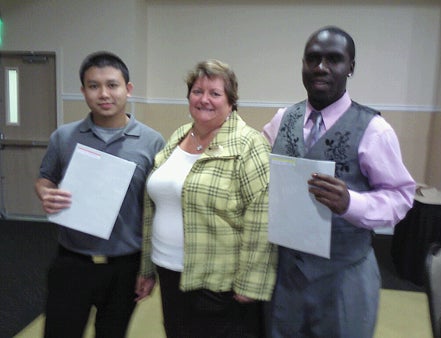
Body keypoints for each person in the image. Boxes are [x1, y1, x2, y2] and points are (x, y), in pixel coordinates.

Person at [263, 26, 416, 337]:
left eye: (334, 59)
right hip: (286, 275)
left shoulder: (374, 129)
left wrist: (351, 203)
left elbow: (401, 197)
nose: (321, 68)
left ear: (351, 68)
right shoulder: (282, 119)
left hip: (344, 277)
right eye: (313, 59)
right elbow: (259, 170)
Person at [138, 59, 277, 338]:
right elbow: (156, 205)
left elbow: (262, 217)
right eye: (197, 91)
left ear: (231, 100)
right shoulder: (179, 136)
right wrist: (147, 268)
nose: (204, 100)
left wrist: (251, 281)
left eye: (215, 93)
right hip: (170, 271)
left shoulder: (249, 144)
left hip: (218, 282)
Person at [35, 51, 165, 338]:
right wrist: (45, 193)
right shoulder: (64, 137)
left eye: (112, 85)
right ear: (83, 91)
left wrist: (148, 269)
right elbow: (45, 178)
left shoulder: (152, 142)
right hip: (72, 261)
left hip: (124, 266)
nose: (104, 94)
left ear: (128, 89)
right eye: (94, 86)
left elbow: (156, 208)